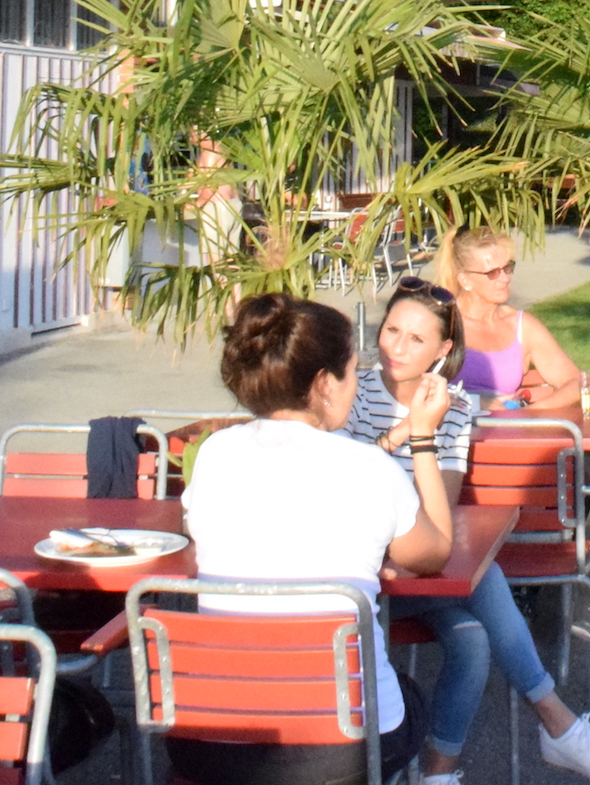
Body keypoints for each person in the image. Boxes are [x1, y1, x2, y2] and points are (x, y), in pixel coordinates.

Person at [344, 280, 590, 784]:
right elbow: (339, 480)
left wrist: (423, 431)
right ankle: (558, 724)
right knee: (485, 580)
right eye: (391, 330)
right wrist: (403, 434)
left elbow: (439, 502)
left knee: (473, 640)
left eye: (415, 339)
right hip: (362, 571)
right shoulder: (351, 393)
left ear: (443, 351)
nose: (396, 346)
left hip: (414, 566)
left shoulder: (455, 407)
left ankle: (438, 776)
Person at [177, 294, 451, 784]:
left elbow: (198, 527)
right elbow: (434, 554)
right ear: (325, 384)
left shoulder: (216, 453)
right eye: (351, 370)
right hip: (340, 743)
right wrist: (425, 437)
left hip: (210, 738)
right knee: (407, 696)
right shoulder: (370, 467)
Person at [432, 226, 581, 409]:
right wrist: (480, 403)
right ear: (465, 280)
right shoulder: (440, 323)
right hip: (451, 433)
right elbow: (408, 385)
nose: (505, 279)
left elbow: (575, 383)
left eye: (507, 268)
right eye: (492, 273)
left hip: (506, 431)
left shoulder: (522, 326)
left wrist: (527, 416)